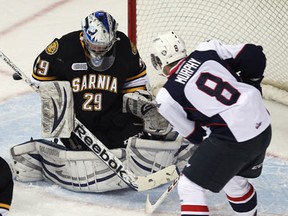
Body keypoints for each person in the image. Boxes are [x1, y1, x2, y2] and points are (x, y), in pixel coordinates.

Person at [9, 12, 193, 193]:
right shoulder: (65, 47)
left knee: (135, 146)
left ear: (113, 39)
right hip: (79, 122)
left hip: (114, 116)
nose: (97, 50)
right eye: (93, 45)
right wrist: (61, 105)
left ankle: (173, 151)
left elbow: (136, 81)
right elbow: (40, 75)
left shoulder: (125, 48)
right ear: (84, 36)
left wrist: (141, 105)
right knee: (86, 157)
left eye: (103, 46)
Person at [150, 31, 272, 216]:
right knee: (233, 181)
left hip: (234, 137)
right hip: (262, 124)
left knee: (189, 186)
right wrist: (252, 85)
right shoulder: (207, 49)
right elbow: (253, 54)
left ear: (159, 61)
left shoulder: (166, 97)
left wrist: (208, 145)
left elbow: (195, 135)